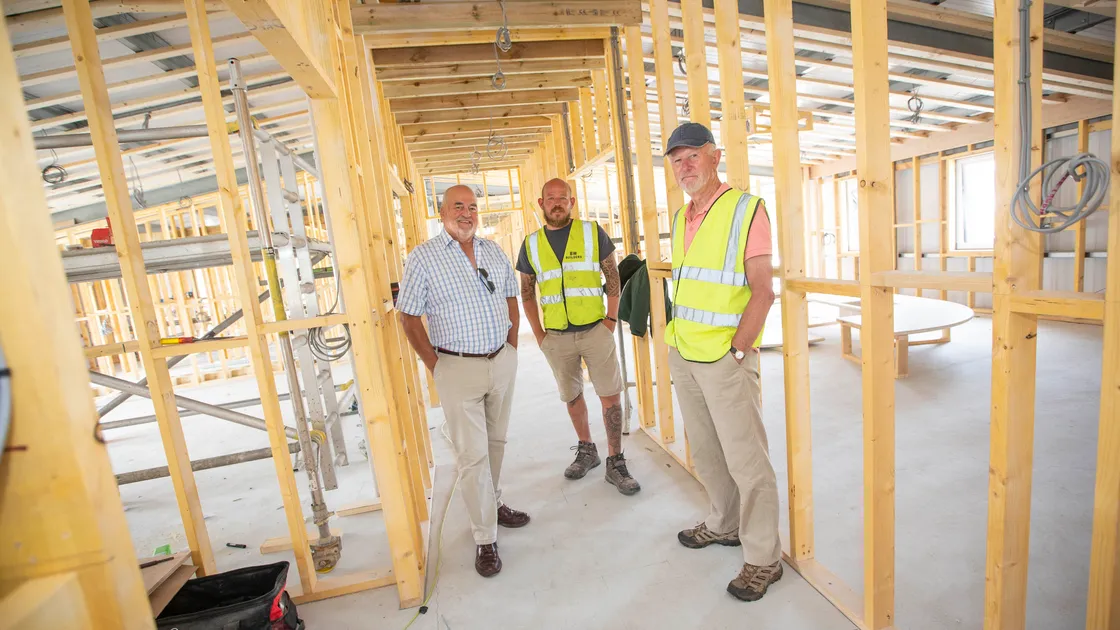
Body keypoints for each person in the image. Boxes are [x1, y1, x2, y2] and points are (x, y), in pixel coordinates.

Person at [661, 122, 781, 602]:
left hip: (725, 358)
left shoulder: (746, 210)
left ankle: (763, 558)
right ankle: (724, 523)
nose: (684, 167)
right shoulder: (681, 216)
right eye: (676, 160)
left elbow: (763, 291)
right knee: (708, 452)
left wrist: (738, 349)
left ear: (715, 157)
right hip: (685, 352)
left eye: (692, 156)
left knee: (747, 460)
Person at [398, 184, 530, 578]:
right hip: (456, 367)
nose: (467, 213)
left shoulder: (492, 250)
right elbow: (408, 316)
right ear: (442, 213)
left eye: (472, 206)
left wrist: (510, 347)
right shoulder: (423, 258)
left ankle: (494, 501)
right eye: (458, 206)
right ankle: (485, 537)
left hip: (499, 362)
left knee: (495, 444)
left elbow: (511, 297)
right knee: (472, 457)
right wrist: (434, 364)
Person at [517, 178, 640, 496]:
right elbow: (527, 293)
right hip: (557, 337)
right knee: (572, 397)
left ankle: (616, 460)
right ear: (541, 203)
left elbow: (612, 274)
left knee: (609, 396)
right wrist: (540, 335)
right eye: (551, 198)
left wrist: (611, 319)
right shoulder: (531, 244)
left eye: (563, 197)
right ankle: (588, 450)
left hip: (594, 330)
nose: (557, 202)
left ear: (572, 202)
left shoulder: (591, 232)